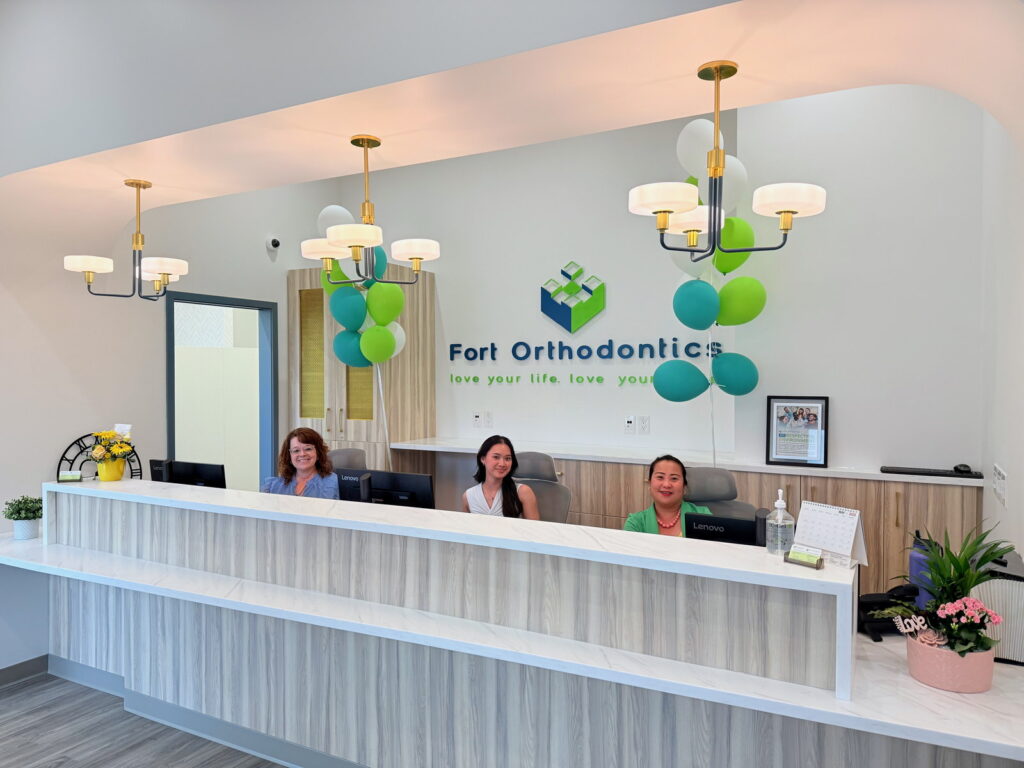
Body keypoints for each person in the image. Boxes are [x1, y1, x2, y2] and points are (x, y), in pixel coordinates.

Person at [623, 455, 711, 536]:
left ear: (684, 486)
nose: (666, 485)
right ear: (650, 484)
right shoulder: (635, 523)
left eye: (674, 478)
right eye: (660, 477)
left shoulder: (703, 515)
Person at [462, 435, 540, 519]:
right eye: (496, 457)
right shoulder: (468, 496)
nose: (502, 464)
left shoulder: (523, 492)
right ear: (483, 459)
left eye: (507, 458)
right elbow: (465, 530)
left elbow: (533, 530)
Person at [261, 427, 339, 498]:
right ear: (289, 456)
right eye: (296, 450)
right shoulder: (273, 486)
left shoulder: (332, 482)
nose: (302, 454)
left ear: (318, 452)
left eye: (308, 449)